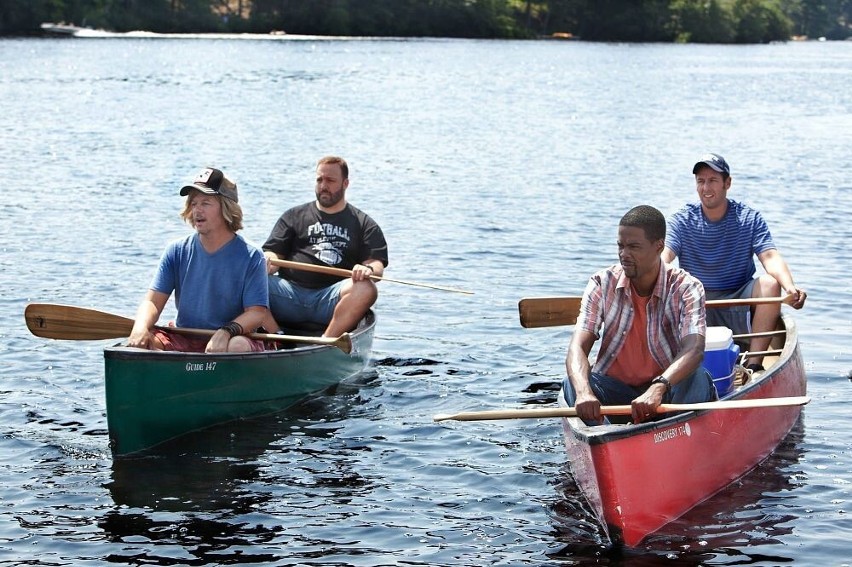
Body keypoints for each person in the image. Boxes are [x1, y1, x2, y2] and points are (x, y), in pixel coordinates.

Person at [564, 205, 717, 425]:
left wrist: (658, 387)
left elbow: (694, 349)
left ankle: (672, 434)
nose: (624, 255)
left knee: (698, 379)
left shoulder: (687, 287)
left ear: (659, 247)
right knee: (572, 382)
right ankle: (606, 438)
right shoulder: (601, 282)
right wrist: (583, 393)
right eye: (620, 246)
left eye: (634, 247)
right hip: (616, 392)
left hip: (665, 392)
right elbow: (577, 347)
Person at [662, 153, 807, 373]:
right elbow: (665, 254)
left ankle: (754, 364)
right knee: (663, 281)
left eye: (712, 180)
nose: (705, 187)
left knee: (769, 283)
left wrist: (790, 287)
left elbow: (770, 257)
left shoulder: (749, 218)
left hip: (739, 298)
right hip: (697, 301)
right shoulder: (682, 219)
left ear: (727, 183)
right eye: (701, 181)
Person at [128, 167, 269, 353]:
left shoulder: (252, 256)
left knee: (238, 346)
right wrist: (140, 327)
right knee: (143, 345)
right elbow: (153, 302)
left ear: (226, 207)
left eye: (205, 203)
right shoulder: (176, 250)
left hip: (231, 337)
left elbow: (257, 313)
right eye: (193, 203)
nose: (197, 210)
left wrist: (226, 331)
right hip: (184, 335)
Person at [262, 156, 388, 338]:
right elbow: (274, 255)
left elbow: (377, 266)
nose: (323, 185)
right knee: (248, 277)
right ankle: (277, 337)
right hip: (289, 294)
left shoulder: (364, 224)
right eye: (319, 180)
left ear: (345, 184)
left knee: (366, 288)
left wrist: (367, 269)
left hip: (331, 299)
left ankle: (325, 342)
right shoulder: (293, 216)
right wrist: (268, 259)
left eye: (330, 180)